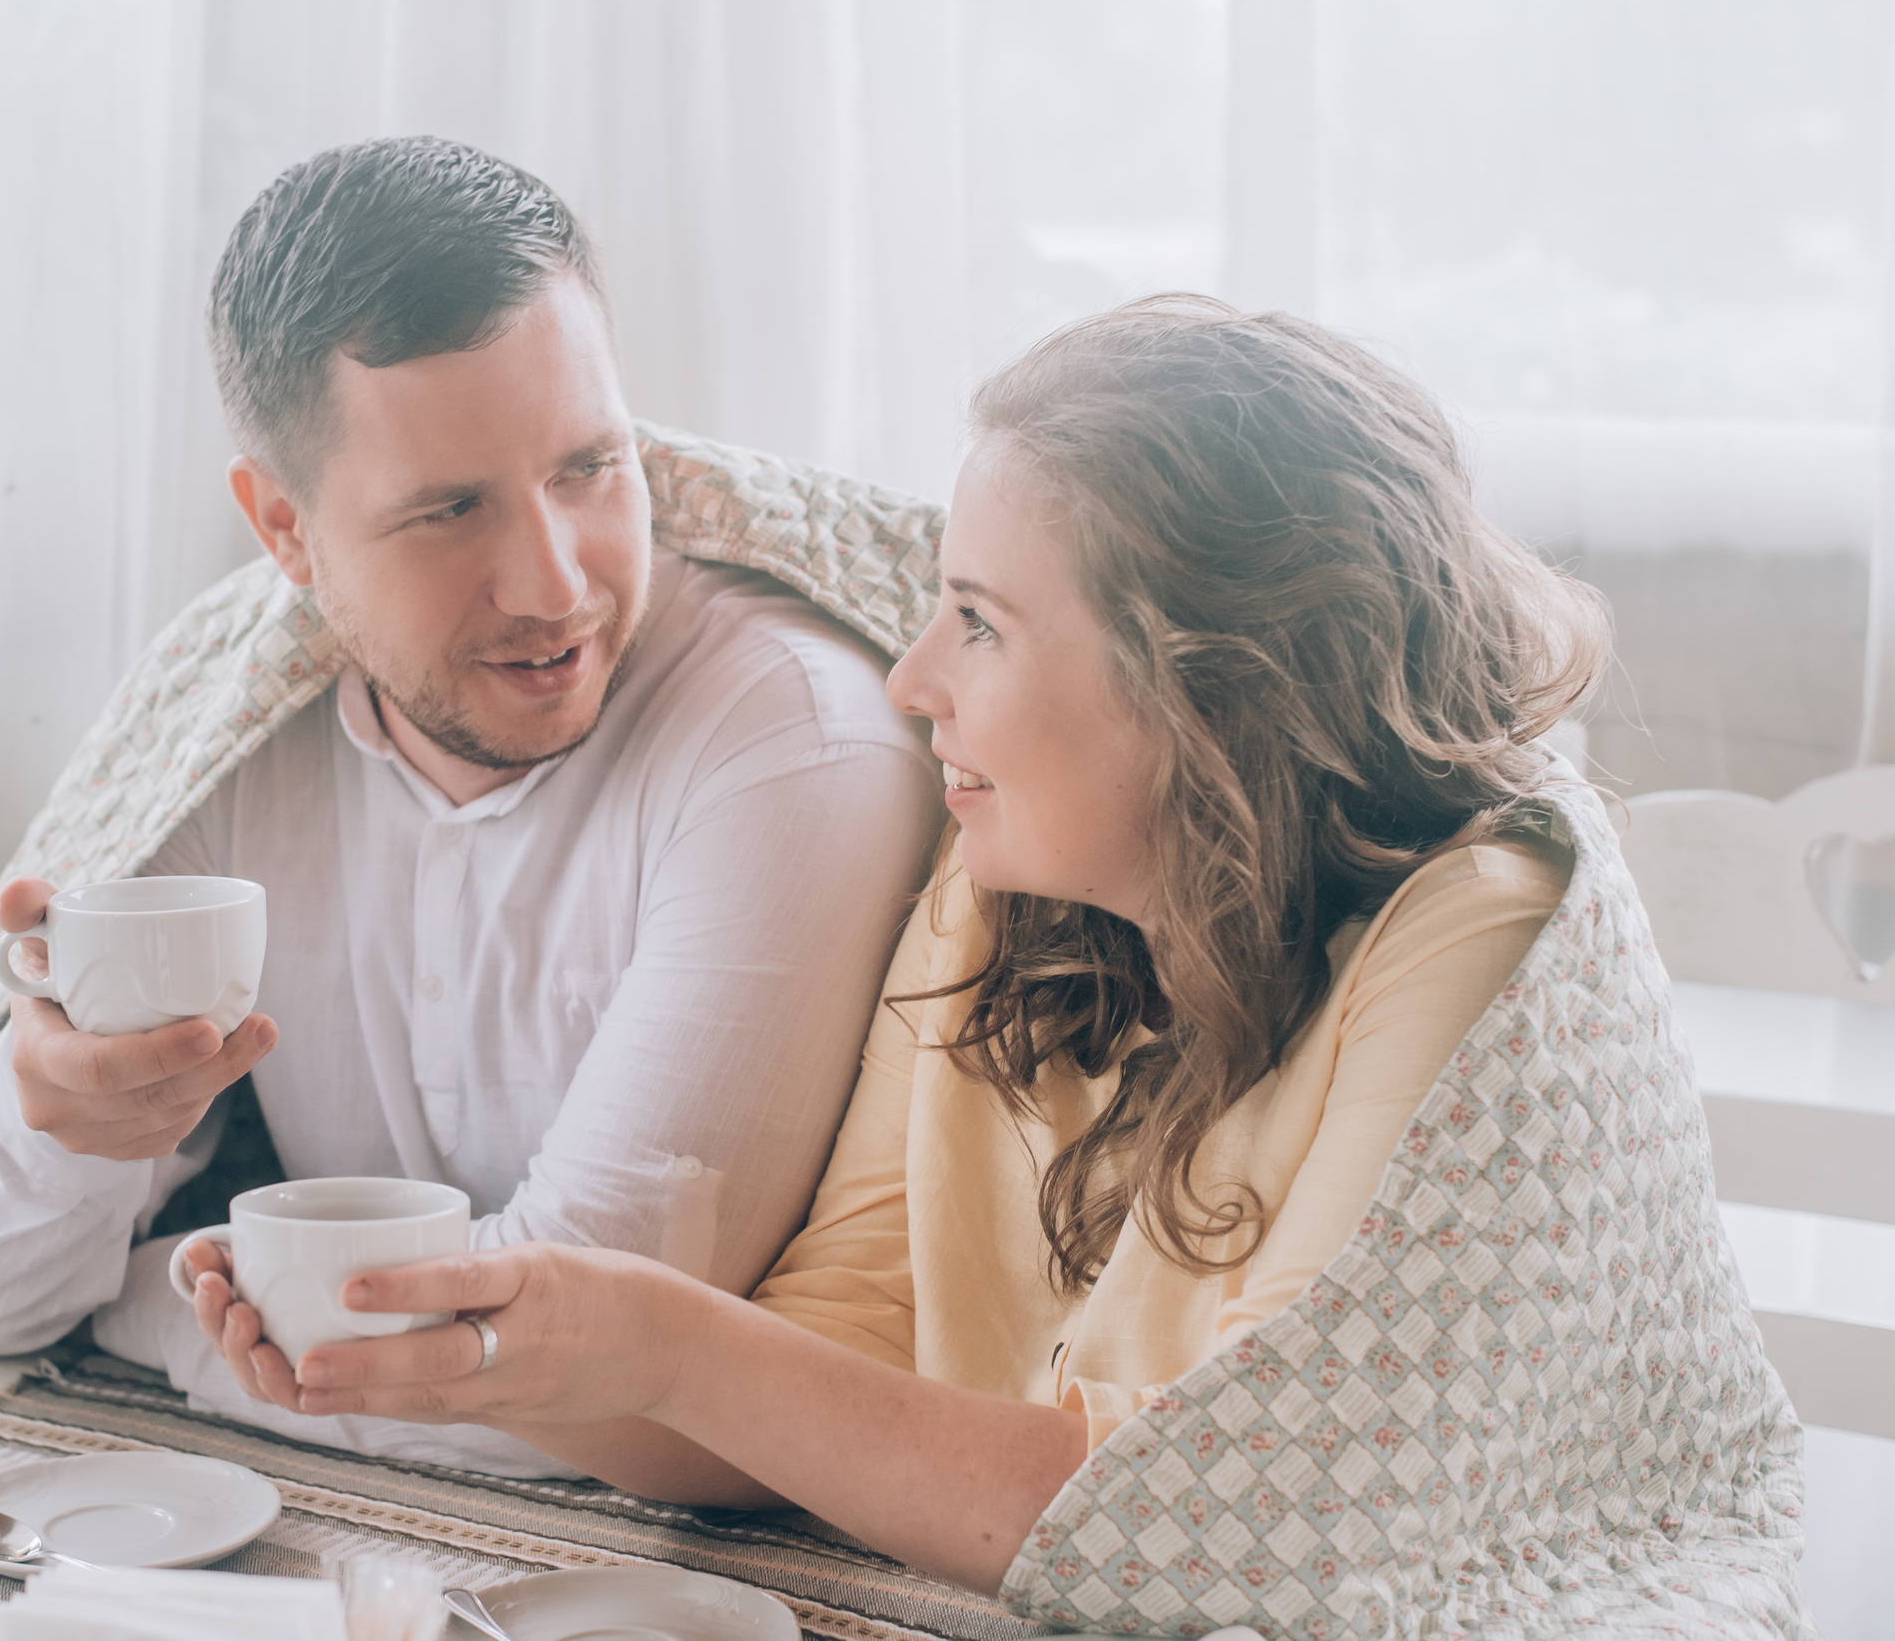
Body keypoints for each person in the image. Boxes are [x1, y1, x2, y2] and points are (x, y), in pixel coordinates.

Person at [187, 299, 1812, 1635]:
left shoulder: (1484, 925)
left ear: (1208, 685)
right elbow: (827, 1376)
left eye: (975, 619)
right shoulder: (997, 897)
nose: (909, 678)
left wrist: (671, 1339)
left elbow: (1249, 1530)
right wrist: (469, 1357)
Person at [0, 137, 944, 1473]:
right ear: (284, 532)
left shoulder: (791, 736)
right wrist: (63, 1116)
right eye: (449, 510)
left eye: (590, 467)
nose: (553, 583)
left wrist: (145, 1303)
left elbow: (595, 1371)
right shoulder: (232, 742)